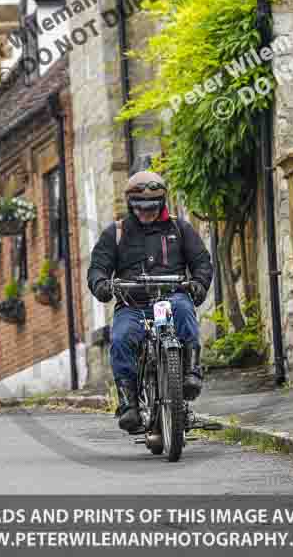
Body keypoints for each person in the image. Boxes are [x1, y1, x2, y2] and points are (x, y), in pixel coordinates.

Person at [87, 171, 213, 433]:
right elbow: (98, 267)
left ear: (162, 202)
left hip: (171, 296)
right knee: (121, 337)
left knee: (183, 309)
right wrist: (101, 284)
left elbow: (201, 262)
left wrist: (199, 283)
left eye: (152, 207)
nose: (146, 213)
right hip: (132, 304)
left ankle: (190, 372)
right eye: (140, 208)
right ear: (131, 205)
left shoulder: (180, 229)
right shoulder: (116, 233)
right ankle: (129, 403)